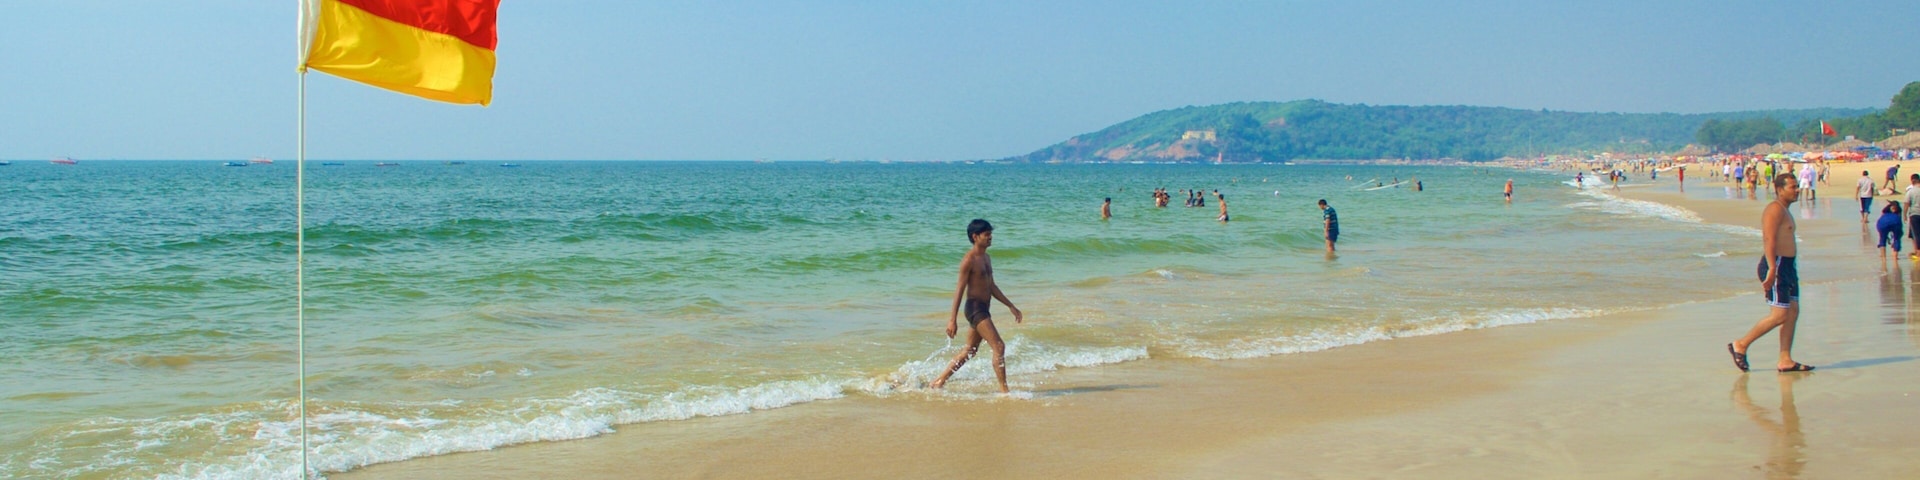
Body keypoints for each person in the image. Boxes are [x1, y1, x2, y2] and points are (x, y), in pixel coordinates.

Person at [1728, 174, 1815, 373]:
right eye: (1792, 187)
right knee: (1780, 314)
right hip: (1775, 265)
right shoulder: (1774, 209)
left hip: (1788, 266)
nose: (1797, 190)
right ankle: (1740, 345)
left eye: (1797, 186)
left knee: (1792, 312)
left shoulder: (1785, 210)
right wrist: (1772, 269)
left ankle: (1785, 359)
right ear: (1779, 189)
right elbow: (1768, 239)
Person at [933, 219, 1024, 392]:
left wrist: (1010, 306)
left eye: (991, 234)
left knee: (970, 350)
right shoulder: (969, 260)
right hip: (975, 309)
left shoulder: (987, 258)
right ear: (975, 236)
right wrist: (952, 320)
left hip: (984, 307)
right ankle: (1005, 391)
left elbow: (992, 287)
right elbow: (959, 289)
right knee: (999, 346)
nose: (990, 237)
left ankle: (939, 381)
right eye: (987, 234)